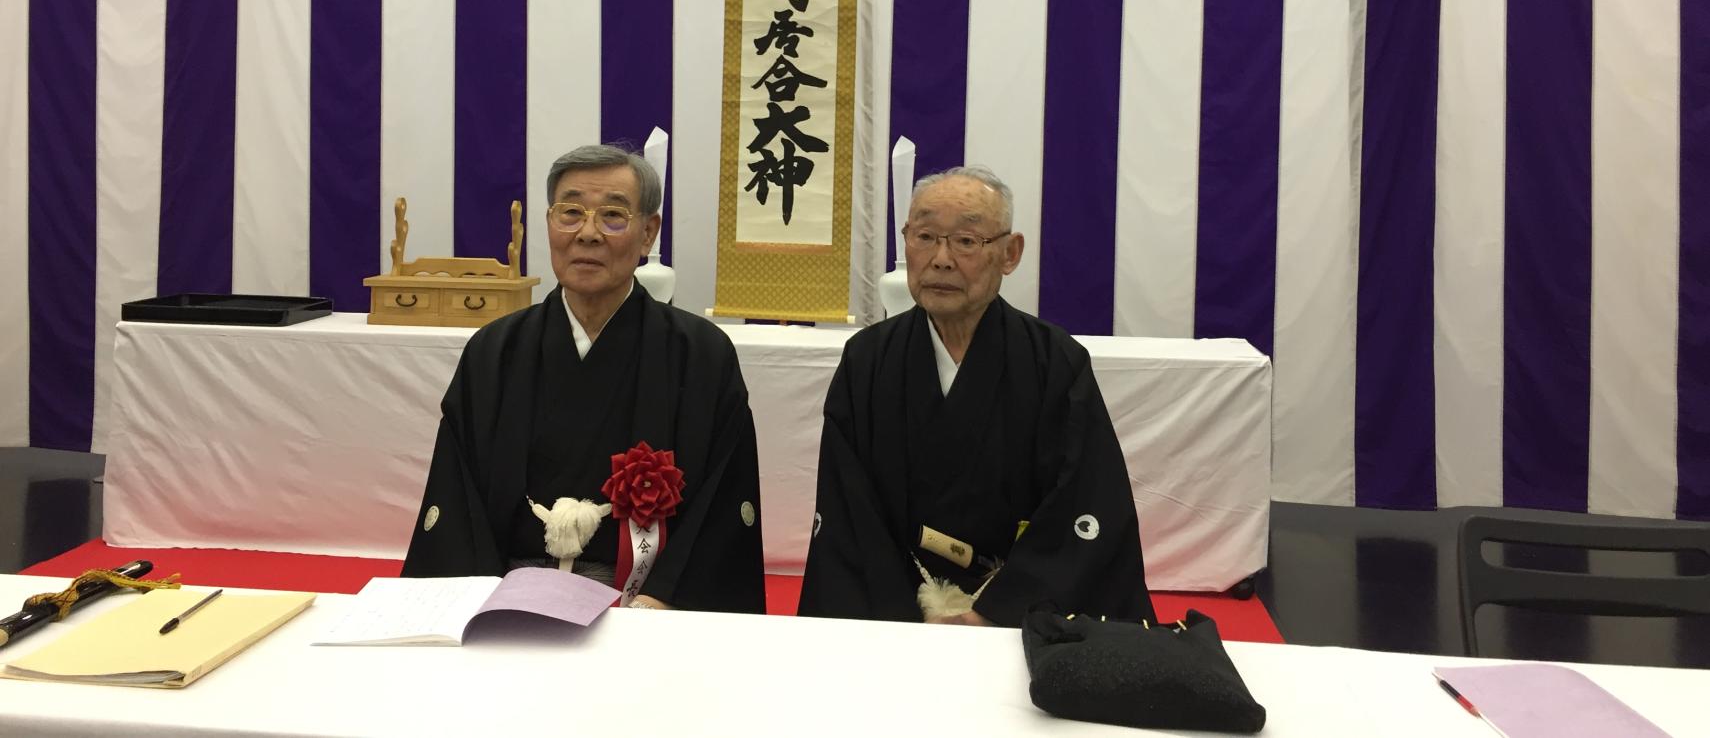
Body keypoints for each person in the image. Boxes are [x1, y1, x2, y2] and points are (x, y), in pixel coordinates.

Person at [402, 144, 766, 614]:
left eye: (613, 215)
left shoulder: (700, 356)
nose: (588, 234)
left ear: (648, 233)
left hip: (647, 599)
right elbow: (457, 500)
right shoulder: (495, 351)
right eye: (570, 212)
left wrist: (658, 602)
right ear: (549, 223)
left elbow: (721, 508)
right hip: (504, 589)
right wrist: (484, 603)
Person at [797, 166, 1155, 627]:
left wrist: (996, 611)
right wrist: (904, 616)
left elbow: (1084, 505)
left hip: (1017, 612)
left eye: (966, 241)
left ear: (1010, 253)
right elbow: (849, 508)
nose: (941, 259)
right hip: (894, 615)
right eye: (925, 235)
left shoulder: (1054, 362)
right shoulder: (868, 358)